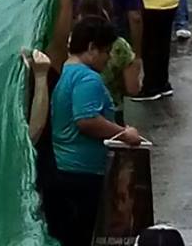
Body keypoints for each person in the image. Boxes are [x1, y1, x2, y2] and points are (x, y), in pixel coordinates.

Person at [49, 17, 144, 246]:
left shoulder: (66, 72)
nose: (109, 57)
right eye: (106, 51)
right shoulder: (87, 78)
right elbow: (87, 120)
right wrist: (124, 133)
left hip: (66, 168)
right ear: (92, 48)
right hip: (83, 173)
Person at [77, 0, 141, 123]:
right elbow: (132, 89)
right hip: (112, 111)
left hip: (77, 110)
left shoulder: (71, 42)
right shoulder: (119, 46)